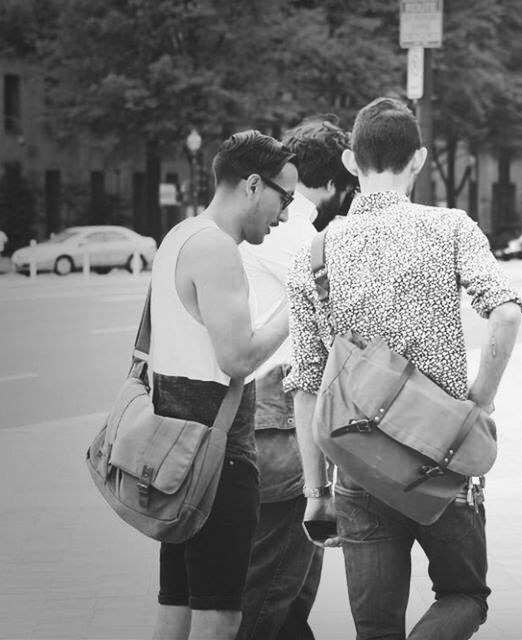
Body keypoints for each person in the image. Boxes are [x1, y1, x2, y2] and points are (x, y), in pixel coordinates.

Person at [284, 97, 522, 640]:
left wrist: (316, 492)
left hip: (359, 465)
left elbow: (304, 386)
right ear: (418, 160)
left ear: (350, 162)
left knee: (375, 627)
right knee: (465, 596)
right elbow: (506, 314)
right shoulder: (451, 228)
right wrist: (478, 402)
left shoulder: (316, 252)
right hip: (442, 457)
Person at [149, 130, 297, 640]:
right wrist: (298, 303)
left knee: (178, 608)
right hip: (218, 459)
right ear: (254, 185)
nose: (283, 217)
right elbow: (236, 358)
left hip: (179, 453)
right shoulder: (217, 249)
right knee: (220, 616)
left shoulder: (179, 236)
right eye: (285, 198)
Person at [236, 117, 353, 640]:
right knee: (273, 589)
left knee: (289, 595)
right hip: (279, 419)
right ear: (330, 183)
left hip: (273, 416)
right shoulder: (297, 238)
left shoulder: (265, 229)